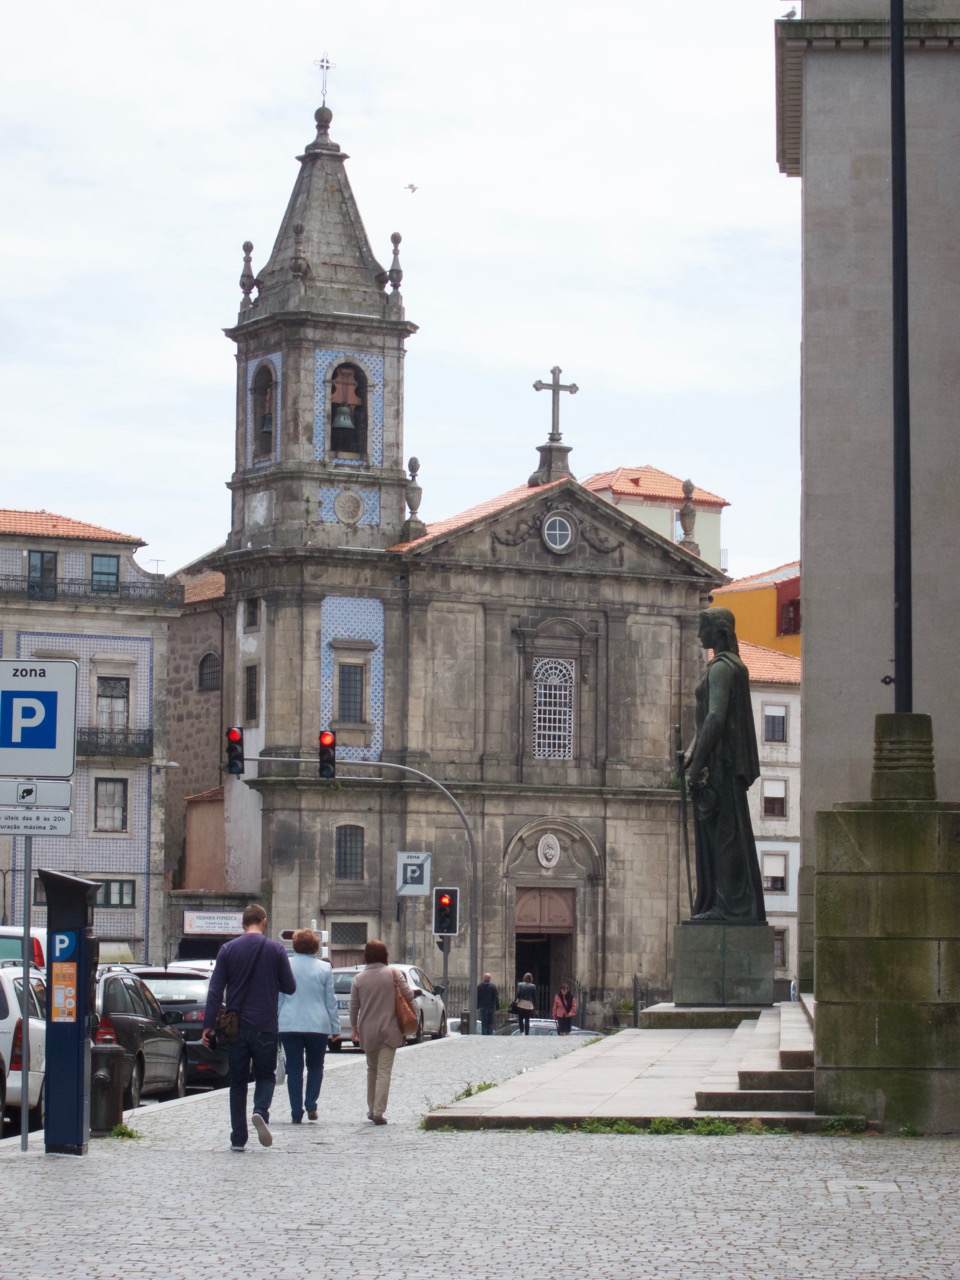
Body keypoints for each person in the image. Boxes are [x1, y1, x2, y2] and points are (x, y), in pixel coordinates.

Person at [684, 607, 766, 924]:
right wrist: (691, 753)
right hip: (714, 762)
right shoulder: (726, 667)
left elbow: (716, 717)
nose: (698, 633)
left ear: (718, 631)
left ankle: (728, 905)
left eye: (702, 627)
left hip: (720, 764)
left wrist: (698, 761)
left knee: (725, 836)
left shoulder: (723, 669)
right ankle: (720, 901)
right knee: (719, 835)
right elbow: (708, 720)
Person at [202, 903, 296, 1151]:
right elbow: (290, 986)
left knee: (237, 1082)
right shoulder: (275, 949)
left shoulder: (228, 949)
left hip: (235, 1027)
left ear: (242, 923)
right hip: (266, 1024)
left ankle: (238, 1138)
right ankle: (260, 1111)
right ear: (263, 921)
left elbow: (215, 990)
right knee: (266, 1075)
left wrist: (208, 1025)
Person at [350, 939, 416, 1125]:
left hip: (367, 1030)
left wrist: (354, 1028)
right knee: (384, 1071)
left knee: (372, 1070)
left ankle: (371, 1109)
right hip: (390, 1029)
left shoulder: (359, 978)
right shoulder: (394, 974)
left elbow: (354, 1007)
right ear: (384, 955)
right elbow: (409, 996)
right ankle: (379, 1111)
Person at [278, 928, 340, 1124]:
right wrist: (335, 1027)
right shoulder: (324, 968)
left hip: (290, 1023)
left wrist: (274, 1021)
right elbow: (330, 1000)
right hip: (317, 1024)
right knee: (315, 1066)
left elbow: (279, 997)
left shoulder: (285, 965)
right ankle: (311, 1103)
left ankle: (296, 1111)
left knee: (294, 1068)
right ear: (315, 946)